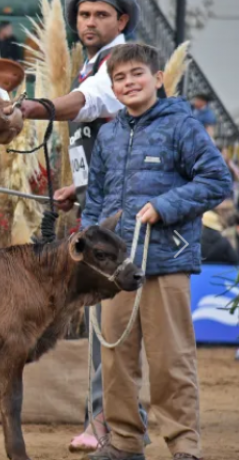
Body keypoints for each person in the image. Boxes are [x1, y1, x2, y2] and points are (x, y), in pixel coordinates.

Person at [82, 42, 231, 460]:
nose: (128, 83)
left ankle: (184, 444)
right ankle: (125, 442)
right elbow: (96, 201)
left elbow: (216, 181)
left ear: (158, 78)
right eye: (119, 78)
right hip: (114, 270)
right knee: (114, 359)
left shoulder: (182, 126)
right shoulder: (109, 134)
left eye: (136, 75)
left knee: (171, 360)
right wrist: (85, 245)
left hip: (166, 263)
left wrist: (165, 207)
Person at [18, 0, 148, 452]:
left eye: (101, 15)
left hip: (120, 212)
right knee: (101, 316)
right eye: (84, 15)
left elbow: (89, 102)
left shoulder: (122, 60)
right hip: (99, 203)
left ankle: (110, 421)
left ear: (123, 21)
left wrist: (35, 107)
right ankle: (105, 417)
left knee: (113, 320)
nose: (89, 23)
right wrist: (80, 187)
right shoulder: (93, 61)